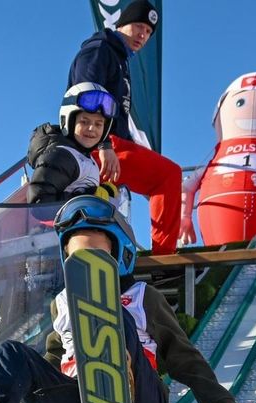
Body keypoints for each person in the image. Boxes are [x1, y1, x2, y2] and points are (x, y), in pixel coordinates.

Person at [0, 196, 244, 403]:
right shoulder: (62, 303)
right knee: (10, 353)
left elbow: (181, 354)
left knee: (114, 315)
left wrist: (219, 401)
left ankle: (117, 389)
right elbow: (52, 358)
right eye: (78, 259)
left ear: (120, 255)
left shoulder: (142, 297)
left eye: (96, 256)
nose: (86, 266)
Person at [67, 0, 191, 254]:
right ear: (121, 24)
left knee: (156, 180)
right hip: (94, 144)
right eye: (138, 26)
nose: (142, 35)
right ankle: (164, 258)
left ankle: (120, 253)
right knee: (168, 176)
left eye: (148, 32)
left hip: (112, 143)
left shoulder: (120, 59)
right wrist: (103, 145)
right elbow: (86, 95)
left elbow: (119, 118)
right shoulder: (100, 49)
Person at [27, 83, 120, 205]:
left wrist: (102, 192)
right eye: (84, 122)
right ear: (68, 121)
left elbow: (73, 188)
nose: (92, 128)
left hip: (84, 223)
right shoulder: (62, 155)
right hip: (57, 224)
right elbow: (39, 202)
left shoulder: (85, 158)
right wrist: (88, 198)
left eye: (98, 124)